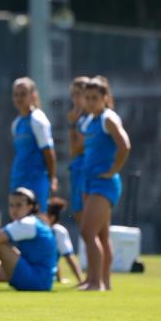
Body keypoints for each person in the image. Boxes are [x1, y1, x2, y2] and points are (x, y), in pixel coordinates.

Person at [80, 77, 131, 291]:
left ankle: (96, 282)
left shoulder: (108, 118)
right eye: (88, 98)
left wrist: (113, 171)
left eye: (95, 98)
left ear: (105, 98)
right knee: (101, 235)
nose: (91, 102)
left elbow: (125, 146)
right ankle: (103, 281)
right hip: (90, 182)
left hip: (104, 184)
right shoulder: (89, 120)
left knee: (87, 231)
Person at [10, 77, 56, 217]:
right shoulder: (16, 123)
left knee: (37, 220)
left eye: (23, 94)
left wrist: (51, 178)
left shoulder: (38, 120)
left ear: (33, 95)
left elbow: (48, 152)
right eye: (16, 94)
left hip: (36, 179)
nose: (19, 98)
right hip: (18, 178)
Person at [67, 76, 90, 225]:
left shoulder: (94, 118)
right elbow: (73, 150)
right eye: (73, 95)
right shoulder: (78, 119)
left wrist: (73, 123)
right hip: (78, 167)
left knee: (88, 214)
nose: (75, 99)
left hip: (88, 168)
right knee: (78, 212)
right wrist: (72, 124)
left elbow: (79, 147)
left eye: (78, 94)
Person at [47, 197, 85, 285]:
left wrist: (81, 280)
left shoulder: (58, 231)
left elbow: (68, 256)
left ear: (51, 218)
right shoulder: (35, 229)